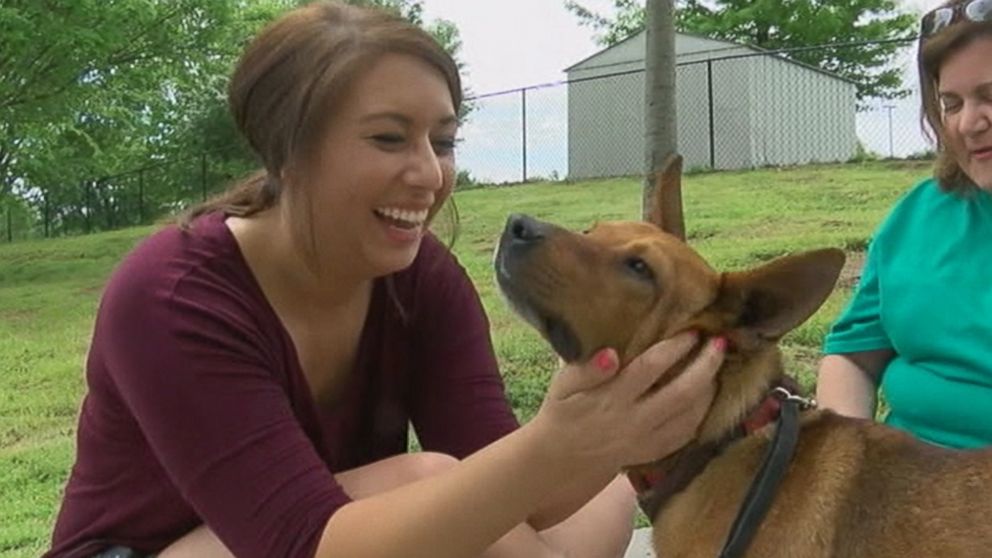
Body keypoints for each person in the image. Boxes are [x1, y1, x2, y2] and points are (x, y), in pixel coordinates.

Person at [44, 3, 726, 557]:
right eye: (389, 139)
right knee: (429, 480)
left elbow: (522, 489)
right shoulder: (172, 294)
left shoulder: (420, 276)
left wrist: (612, 421)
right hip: (157, 551)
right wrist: (563, 441)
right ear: (291, 149)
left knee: (597, 494)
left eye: (444, 141)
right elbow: (303, 543)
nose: (429, 174)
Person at [816, 0, 992, 450]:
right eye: (951, 104)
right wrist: (848, 460)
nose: (970, 123)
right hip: (907, 493)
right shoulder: (918, 215)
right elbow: (852, 357)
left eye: (990, 96)